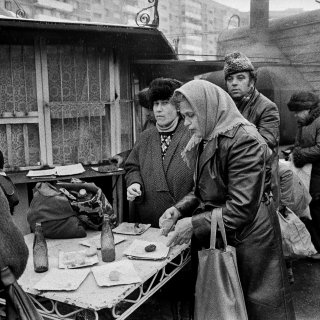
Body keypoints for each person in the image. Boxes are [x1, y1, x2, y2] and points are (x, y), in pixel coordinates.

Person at [160, 80, 295, 319]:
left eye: (191, 116)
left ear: (209, 108)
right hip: (227, 234)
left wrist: (193, 224)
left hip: (251, 243)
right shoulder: (208, 135)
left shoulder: (244, 139)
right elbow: (204, 190)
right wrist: (179, 210)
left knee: (255, 310)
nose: (187, 124)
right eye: (184, 116)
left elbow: (241, 208)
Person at [125, 77, 194, 227]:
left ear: (177, 107)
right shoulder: (145, 137)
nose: (158, 109)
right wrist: (134, 183)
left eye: (164, 103)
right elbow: (132, 167)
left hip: (181, 220)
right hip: (147, 222)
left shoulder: (192, 135)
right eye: (156, 103)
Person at [224, 51, 280, 206]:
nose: (234, 83)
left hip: (260, 188)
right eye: (230, 79)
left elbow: (263, 148)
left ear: (252, 82)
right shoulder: (227, 107)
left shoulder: (267, 108)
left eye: (240, 78)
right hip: (234, 185)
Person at [287, 91, 320, 254]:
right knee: (311, 211)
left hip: (317, 177)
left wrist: (299, 155)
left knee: (317, 212)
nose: (295, 116)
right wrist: (293, 150)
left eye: (297, 111)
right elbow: (302, 144)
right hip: (310, 176)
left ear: (307, 109)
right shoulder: (305, 123)